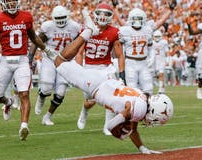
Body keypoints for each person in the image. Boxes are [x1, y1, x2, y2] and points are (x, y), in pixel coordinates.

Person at [46, 15, 174, 154]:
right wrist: (120, 133)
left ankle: (46, 49)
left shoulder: (142, 98)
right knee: (59, 61)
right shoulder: (140, 109)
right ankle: (87, 32)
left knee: (61, 61)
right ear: (154, 110)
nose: (154, 122)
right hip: (95, 85)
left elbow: (133, 128)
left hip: (104, 80)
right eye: (158, 119)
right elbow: (111, 126)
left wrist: (143, 148)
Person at [0, 0, 52, 140]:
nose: (11, 4)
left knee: (24, 94)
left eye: (13, 1)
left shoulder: (26, 16)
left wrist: (45, 49)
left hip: (22, 60)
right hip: (5, 61)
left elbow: (34, 37)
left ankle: (24, 125)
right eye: (8, 1)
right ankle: (8, 102)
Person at [75, 3, 126, 135]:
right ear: (95, 14)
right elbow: (79, 52)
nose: (103, 17)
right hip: (89, 67)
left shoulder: (114, 32)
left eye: (107, 14)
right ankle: (84, 112)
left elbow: (120, 55)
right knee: (90, 101)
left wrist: (122, 74)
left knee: (110, 97)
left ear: (110, 16)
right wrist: (79, 71)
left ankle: (107, 126)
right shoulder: (86, 29)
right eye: (101, 13)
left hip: (105, 68)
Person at [29, 5, 82, 126]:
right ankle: (41, 96)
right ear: (53, 18)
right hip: (50, 58)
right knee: (47, 86)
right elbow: (37, 41)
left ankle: (47, 117)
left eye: (63, 17)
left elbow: (80, 42)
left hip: (66, 60)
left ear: (67, 17)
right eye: (58, 17)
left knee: (61, 92)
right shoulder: (48, 26)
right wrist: (30, 57)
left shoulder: (74, 27)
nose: (61, 20)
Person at [148, 30, 169, 94]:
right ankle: (163, 88)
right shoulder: (152, 43)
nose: (157, 38)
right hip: (154, 61)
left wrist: (167, 60)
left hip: (162, 60)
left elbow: (167, 52)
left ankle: (160, 89)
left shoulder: (164, 42)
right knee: (156, 76)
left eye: (158, 36)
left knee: (161, 74)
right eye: (156, 36)